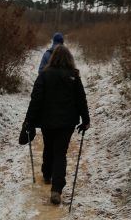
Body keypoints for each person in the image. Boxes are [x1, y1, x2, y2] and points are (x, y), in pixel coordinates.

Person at [24, 45, 90, 205]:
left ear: (52, 58)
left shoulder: (44, 75)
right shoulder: (74, 75)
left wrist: (29, 120)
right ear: (69, 59)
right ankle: (56, 190)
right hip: (67, 122)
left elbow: (36, 99)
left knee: (49, 146)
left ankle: (47, 174)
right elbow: (81, 99)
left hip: (47, 121)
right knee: (60, 153)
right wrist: (85, 120)